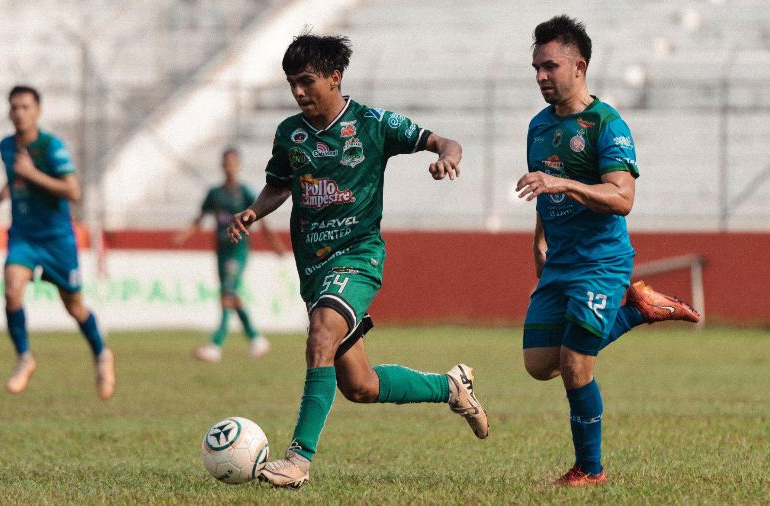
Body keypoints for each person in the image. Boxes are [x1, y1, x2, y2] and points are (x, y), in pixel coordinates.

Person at [226, 32, 488, 489]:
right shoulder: (290, 132)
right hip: (314, 269)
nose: (299, 92)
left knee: (322, 333)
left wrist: (447, 158)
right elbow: (281, 184)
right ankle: (451, 387)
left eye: (307, 81)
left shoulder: (371, 123)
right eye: (292, 84)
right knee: (360, 385)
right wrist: (253, 210)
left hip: (359, 256)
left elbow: (446, 142)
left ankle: (297, 460)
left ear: (334, 75)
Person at [515, 16, 700, 486]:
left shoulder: (607, 124)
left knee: (576, 364)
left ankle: (589, 470)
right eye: (536, 67)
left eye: (550, 67)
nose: (540, 76)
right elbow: (544, 182)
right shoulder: (537, 126)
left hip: (601, 262)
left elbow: (623, 198)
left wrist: (562, 183)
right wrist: (539, 235)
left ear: (579, 66)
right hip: (560, 261)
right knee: (540, 364)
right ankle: (638, 309)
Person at [0, 85, 115, 399]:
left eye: (25, 107)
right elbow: (13, 180)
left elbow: (74, 192)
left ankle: (102, 355)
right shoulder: (6, 146)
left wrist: (32, 173)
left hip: (57, 239)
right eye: (14, 107)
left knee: (74, 307)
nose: (19, 113)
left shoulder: (52, 147)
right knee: (11, 289)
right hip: (23, 235)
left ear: (38, 111)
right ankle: (24, 359)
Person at [174, 147, 285, 362]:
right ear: (222, 165)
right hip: (221, 251)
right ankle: (256, 339)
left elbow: (262, 217)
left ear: (239, 164)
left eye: (233, 161)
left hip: (238, 250)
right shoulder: (215, 194)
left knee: (227, 294)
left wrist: (275, 243)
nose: (229, 165)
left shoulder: (244, 193)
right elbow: (199, 219)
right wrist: (183, 236)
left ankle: (215, 346)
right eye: (226, 161)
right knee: (230, 295)